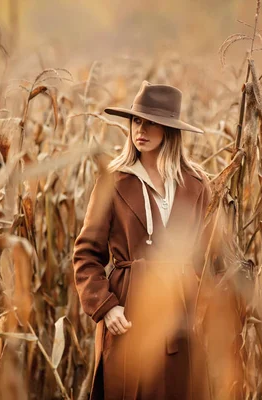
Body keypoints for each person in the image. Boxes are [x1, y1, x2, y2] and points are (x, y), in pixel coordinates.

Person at [73, 81, 213, 400]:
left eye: (152, 123)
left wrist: (205, 311)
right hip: (127, 310)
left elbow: (208, 256)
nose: (142, 129)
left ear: (170, 130)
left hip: (180, 314)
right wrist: (106, 308)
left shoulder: (197, 184)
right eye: (137, 120)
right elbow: (86, 256)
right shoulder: (113, 181)